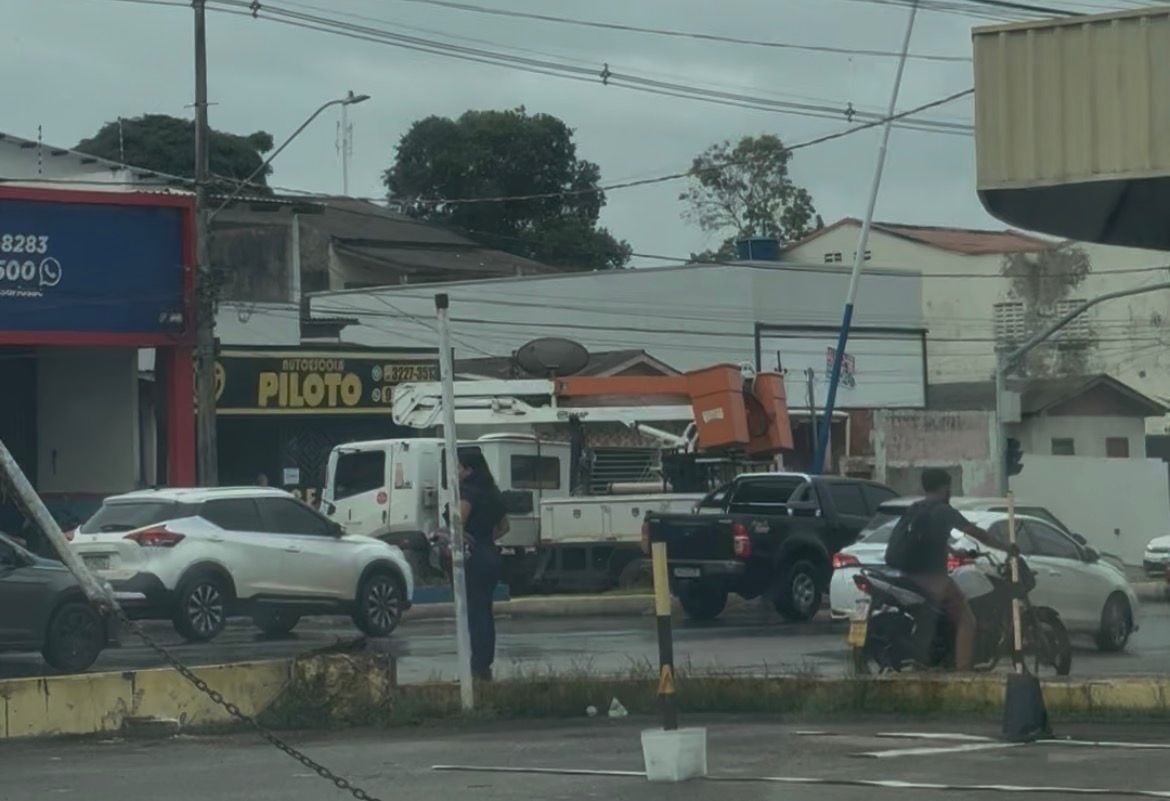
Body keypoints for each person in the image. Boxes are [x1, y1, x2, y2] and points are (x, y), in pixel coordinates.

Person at [885, 468, 998, 671]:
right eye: (949, 487)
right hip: (932, 578)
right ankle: (963, 671)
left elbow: (926, 541)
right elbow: (976, 532)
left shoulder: (915, 508)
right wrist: (1006, 546)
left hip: (907, 574)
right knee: (966, 618)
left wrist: (955, 551)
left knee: (938, 615)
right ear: (945, 487)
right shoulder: (943, 510)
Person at [457, 449, 509, 681]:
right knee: (485, 612)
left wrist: (461, 541)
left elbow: (458, 523)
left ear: (469, 470)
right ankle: (483, 664)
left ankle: (476, 669)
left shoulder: (467, 492)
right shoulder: (492, 492)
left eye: (457, 467)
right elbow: (505, 527)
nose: (455, 472)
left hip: (473, 556)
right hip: (490, 552)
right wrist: (487, 540)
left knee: (474, 614)